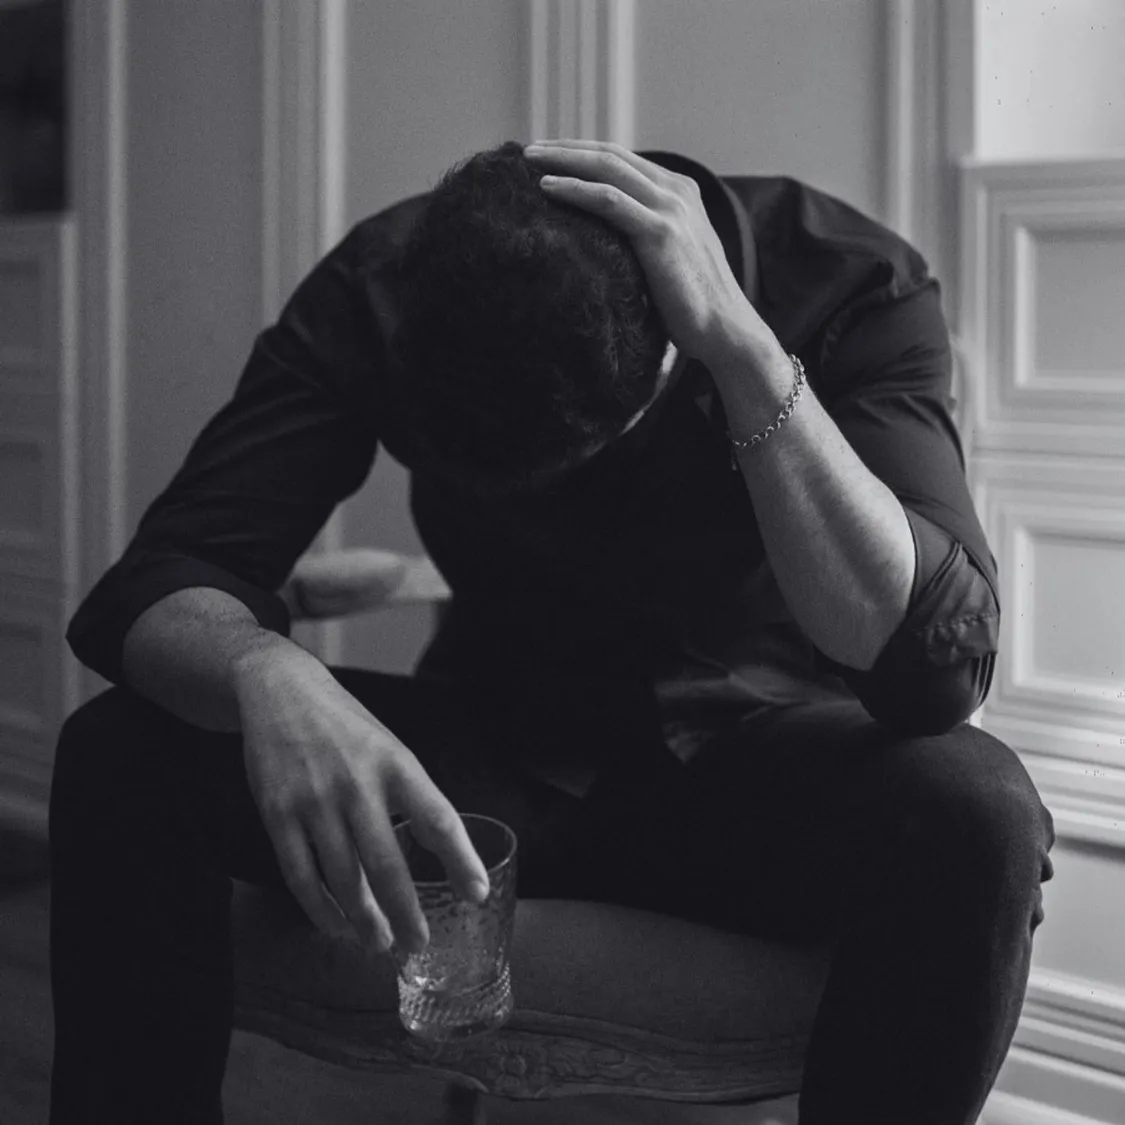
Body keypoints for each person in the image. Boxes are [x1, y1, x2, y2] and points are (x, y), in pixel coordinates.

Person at [49, 140, 1055, 1125]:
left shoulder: (852, 283)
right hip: (489, 767)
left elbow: (934, 670)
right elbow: (160, 577)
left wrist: (742, 350)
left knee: (978, 811)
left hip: (750, 774)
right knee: (120, 749)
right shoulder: (381, 284)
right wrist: (265, 667)